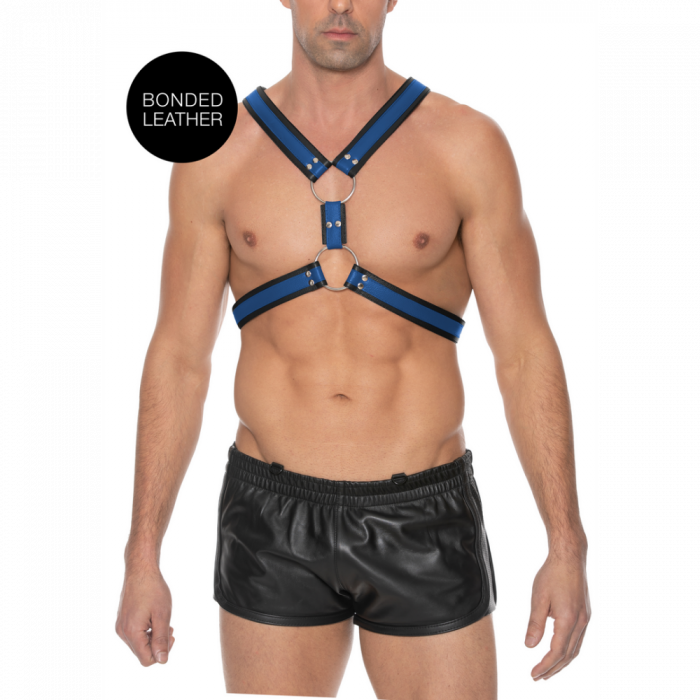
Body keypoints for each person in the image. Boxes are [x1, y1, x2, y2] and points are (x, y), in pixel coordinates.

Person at [115, 1, 591, 698]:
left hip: (423, 514)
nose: (340, 4)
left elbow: (523, 351)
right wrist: (142, 555)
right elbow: (179, 359)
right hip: (270, 518)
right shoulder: (219, 153)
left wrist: (567, 545)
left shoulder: (466, 145)